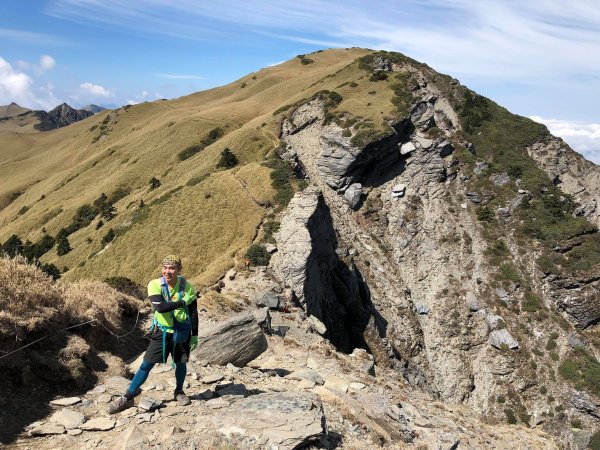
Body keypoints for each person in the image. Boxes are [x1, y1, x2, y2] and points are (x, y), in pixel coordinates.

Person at [108, 255, 199, 413]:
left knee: (181, 363)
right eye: (165, 267)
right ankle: (128, 396)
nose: (167, 271)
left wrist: (194, 334)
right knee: (146, 364)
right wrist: (183, 301)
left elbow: (193, 312)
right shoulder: (155, 284)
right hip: (162, 331)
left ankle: (179, 391)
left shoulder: (187, 286)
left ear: (179, 270)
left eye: (171, 268)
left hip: (182, 331)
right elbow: (161, 308)